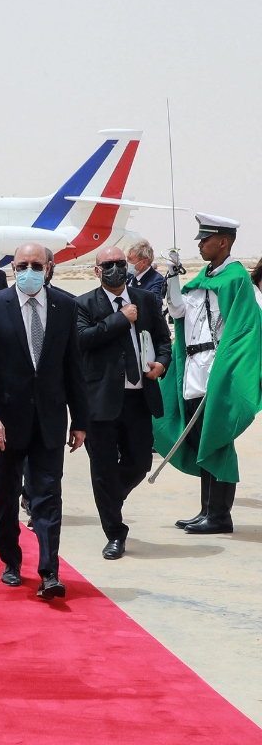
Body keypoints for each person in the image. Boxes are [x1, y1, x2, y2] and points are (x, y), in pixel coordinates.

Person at [0, 243, 89, 600]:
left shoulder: (66, 305)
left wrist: (80, 420)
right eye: (22, 264)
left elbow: (73, 368)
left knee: (49, 495)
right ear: (12, 268)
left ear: (49, 267)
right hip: (6, 423)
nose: (29, 270)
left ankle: (49, 571)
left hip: (50, 418)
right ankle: (11, 559)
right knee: (7, 495)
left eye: (37, 264)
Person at [154, 214, 262, 535]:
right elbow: (178, 311)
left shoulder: (235, 279)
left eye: (205, 239)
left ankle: (220, 515)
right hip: (193, 369)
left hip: (216, 368)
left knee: (217, 440)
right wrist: (172, 276)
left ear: (223, 242)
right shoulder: (203, 278)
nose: (200, 244)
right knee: (202, 438)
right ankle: (206, 510)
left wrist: (225, 370)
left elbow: (242, 330)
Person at [75, 246, 172, 559]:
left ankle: (110, 500)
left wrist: (162, 362)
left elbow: (162, 338)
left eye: (120, 263)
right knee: (102, 468)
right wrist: (120, 318)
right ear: (97, 270)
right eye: (108, 264)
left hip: (138, 397)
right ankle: (115, 533)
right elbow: (81, 340)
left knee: (140, 463)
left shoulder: (146, 299)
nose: (115, 268)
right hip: (100, 401)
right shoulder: (83, 304)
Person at [127, 240, 166, 311]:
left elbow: (155, 304)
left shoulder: (156, 279)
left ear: (144, 262)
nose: (127, 262)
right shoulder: (128, 276)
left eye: (130, 259)